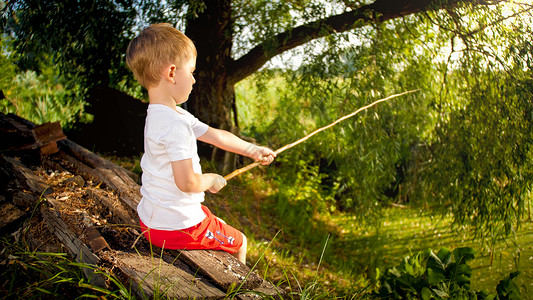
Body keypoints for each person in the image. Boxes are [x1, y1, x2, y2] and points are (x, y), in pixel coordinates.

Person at [126, 23, 276, 264]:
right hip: (176, 227)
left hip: (151, 220)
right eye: (192, 72)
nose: (194, 80)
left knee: (221, 224)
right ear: (172, 73)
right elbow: (187, 182)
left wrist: (253, 150)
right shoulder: (176, 125)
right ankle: (237, 289)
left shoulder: (160, 114)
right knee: (241, 241)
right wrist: (211, 180)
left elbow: (217, 135)